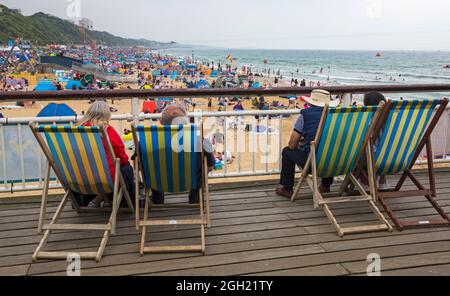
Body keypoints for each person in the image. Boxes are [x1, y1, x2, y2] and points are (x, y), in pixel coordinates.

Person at [276, 90, 340, 198]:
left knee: (287, 151)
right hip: (337, 162)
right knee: (329, 148)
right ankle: (325, 185)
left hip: (314, 164)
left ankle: (287, 188)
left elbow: (292, 144)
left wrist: (301, 144)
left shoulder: (306, 115)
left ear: (311, 102)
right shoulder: (337, 115)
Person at [151, 104, 215, 204]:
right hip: (189, 182)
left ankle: (157, 197)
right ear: (186, 121)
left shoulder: (150, 140)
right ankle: (195, 195)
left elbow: (138, 165)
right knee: (204, 164)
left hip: (160, 183)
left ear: (161, 121)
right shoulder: (198, 139)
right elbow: (211, 165)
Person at [75, 101, 135, 208]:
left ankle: (101, 198)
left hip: (79, 177)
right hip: (105, 178)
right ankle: (119, 201)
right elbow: (123, 158)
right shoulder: (108, 131)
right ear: (107, 115)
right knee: (126, 168)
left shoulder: (75, 131)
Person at [360, 91, 389, 190]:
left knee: (359, 150)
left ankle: (366, 182)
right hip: (393, 157)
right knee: (383, 148)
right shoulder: (392, 120)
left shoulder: (368, 121)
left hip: (372, 159)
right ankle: (382, 181)